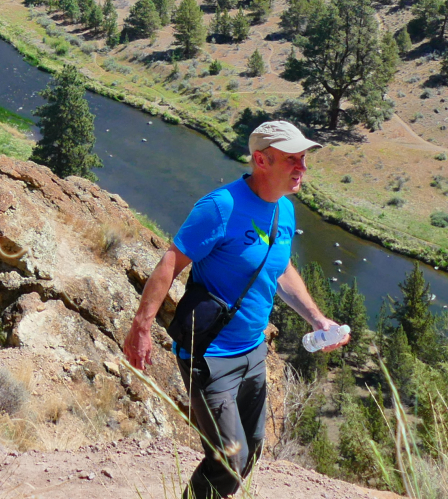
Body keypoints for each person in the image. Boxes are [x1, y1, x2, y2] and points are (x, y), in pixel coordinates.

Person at [122, 120, 348, 499]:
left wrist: (317, 318)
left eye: (304, 160)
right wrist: (141, 327)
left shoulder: (284, 211)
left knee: (252, 448)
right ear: (261, 160)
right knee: (230, 457)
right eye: (292, 159)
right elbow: (169, 264)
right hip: (209, 355)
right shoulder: (220, 207)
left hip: (254, 352)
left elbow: (280, 269)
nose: (302, 168)